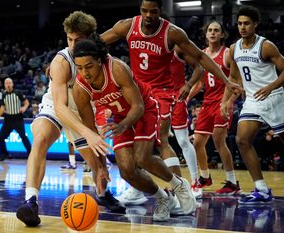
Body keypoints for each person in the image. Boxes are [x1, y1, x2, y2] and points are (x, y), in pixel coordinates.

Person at [101, 0, 241, 202]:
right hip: (136, 91)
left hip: (161, 93)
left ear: (161, 11)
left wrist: (226, 80)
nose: (148, 15)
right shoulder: (128, 25)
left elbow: (200, 58)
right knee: (135, 144)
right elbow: (97, 43)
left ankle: (182, 190)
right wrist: (65, 59)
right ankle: (139, 188)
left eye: (153, 11)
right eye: (144, 10)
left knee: (162, 141)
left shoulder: (172, 33)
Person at [16, 11, 123, 228]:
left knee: (97, 165)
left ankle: (103, 193)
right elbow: (60, 107)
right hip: (57, 107)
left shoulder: (101, 57)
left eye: (79, 40)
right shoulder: (61, 61)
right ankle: (31, 201)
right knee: (40, 139)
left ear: (91, 38)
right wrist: (89, 134)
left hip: (83, 112)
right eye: (70, 39)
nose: (73, 45)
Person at [73, 35, 196, 221]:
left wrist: (122, 126)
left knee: (142, 157)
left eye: (89, 66)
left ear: (99, 61)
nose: (85, 73)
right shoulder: (80, 89)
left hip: (145, 109)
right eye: (80, 68)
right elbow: (91, 132)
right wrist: (100, 168)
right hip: (121, 117)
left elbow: (138, 106)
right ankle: (163, 198)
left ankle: (179, 185)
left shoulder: (116, 69)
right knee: (126, 170)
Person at [221, 5, 284, 204]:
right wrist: (226, 101)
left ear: (255, 24)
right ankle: (261, 189)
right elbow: (234, 77)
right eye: (239, 24)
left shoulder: (266, 46)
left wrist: (270, 87)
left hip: (274, 98)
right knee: (242, 140)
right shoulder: (233, 48)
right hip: (253, 101)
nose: (243, 27)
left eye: (247, 23)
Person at [187, 20, 241, 195]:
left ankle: (232, 182)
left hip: (222, 102)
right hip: (207, 103)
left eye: (216, 30)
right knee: (197, 142)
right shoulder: (202, 54)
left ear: (222, 34)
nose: (212, 33)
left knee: (219, 140)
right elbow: (201, 84)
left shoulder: (226, 54)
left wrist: (229, 102)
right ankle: (204, 177)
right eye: (210, 30)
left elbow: (236, 81)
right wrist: (187, 97)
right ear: (205, 34)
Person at [170, 47, 204, 198]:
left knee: (183, 141)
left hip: (176, 96)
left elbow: (199, 68)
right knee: (147, 142)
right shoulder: (145, 45)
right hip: (155, 95)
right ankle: (138, 188)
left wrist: (189, 85)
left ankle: (195, 181)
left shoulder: (177, 48)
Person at [0, 78, 32, 161]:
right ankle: (4, 154)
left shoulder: (18, 93)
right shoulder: (3, 95)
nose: (8, 85)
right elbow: (2, 108)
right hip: (8, 119)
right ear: (4, 85)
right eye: (6, 83)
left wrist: (24, 108)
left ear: (12, 84)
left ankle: (31, 154)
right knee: (0, 137)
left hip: (18, 118)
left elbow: (26, 102)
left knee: (23, 136)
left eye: (9, 83)